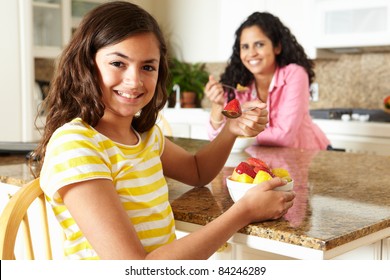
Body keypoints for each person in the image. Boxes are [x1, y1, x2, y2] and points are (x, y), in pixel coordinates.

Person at [32, 1, 295, 260]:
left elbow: (197, 171)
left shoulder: (145, 137)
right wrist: (243, 213)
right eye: (118, 63)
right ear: (87, 65)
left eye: (148, 67)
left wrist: (231, 128)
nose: (134, 81)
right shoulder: (76, 145)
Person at [205, 12, 330, 150]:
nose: (251, 53)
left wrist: (238, 132)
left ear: (277, 47)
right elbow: (217, 138)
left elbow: (283, 137)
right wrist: (217, 106)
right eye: (245, 47)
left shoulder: (295, 74)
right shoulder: (240, 84)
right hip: (267, 161)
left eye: (259, 44)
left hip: (310, 156)